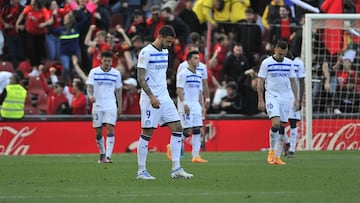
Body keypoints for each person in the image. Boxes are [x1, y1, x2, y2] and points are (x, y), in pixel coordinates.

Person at [136, 25, 193, 179]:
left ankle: (176, 169)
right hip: (150, 98)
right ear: (160, 36)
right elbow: (140, 78)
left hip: (165, 97)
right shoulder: (146, 52)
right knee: (147, 133)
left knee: (177, 128)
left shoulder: (166, 52)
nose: (169, 45)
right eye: (168, 41)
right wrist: (151, 96)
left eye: (171, 42)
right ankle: (141, 171)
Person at [257, 40, 299, 165]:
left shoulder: (289, 63)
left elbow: (293, 82)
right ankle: (271, 151)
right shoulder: (266, 63)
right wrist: (260, 99)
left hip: (285, 98)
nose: (281, 56)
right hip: (271, 96)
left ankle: (277, 156)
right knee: (275, 123)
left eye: (283, 54)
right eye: (279, 54)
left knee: (282, 126)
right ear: (274, 50)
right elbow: (260, 82)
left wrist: (296, 99)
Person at [86, 50, 123, 163]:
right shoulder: (94, 72)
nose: (107, 63)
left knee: (110, 128)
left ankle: (108, 156)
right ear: (101, 60)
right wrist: (90, 96)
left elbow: (118, 91)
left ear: (112, 61)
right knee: (98, 131)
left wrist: (119, 106)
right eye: (105, 60)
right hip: (97, 105)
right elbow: (89, 87)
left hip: (110, 104)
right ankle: (102, 152)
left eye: (109, 61)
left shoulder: (116, 73)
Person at [176, 50, 208, 163]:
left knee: (197, 129)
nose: (198, 60)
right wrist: (184, 103)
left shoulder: (199, 75)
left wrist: (202, 106)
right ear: (189, 60)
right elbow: (179, 90)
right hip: (186, 105)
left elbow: (199, 92)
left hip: (196, 106)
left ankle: (196, 155)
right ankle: (172, 146)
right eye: (195, 58)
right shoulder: (183, 73)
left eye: (198, 58)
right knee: (187, 130)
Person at [283, 52, 305, 158]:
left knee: (292, 122)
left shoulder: (298, 63)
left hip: (293, 97)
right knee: (278, 123)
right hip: (281, 96)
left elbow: (302, 81)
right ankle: (287, 142)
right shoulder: (279, 63)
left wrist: (300, 99)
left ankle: (292, 149)